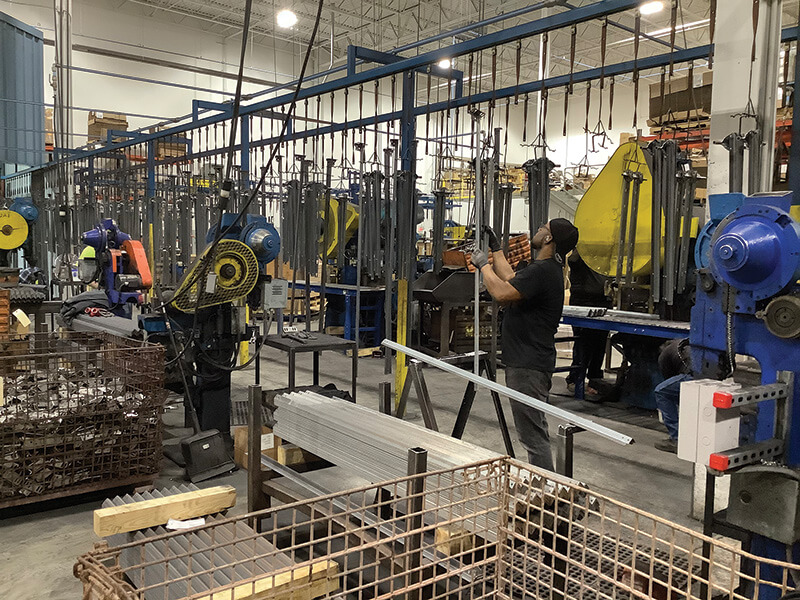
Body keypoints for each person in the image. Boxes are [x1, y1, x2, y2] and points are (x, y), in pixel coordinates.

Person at [471, 219, 579, 471]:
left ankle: (548, 493)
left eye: (543, 228)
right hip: (529, 361)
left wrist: (483, 266)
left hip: (528, 364)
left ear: (549, 239)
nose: (538, 230)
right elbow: (510, 278)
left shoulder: (543, 271)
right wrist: (496, 248)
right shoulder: (545, 268)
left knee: (532, 437)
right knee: (533, 430)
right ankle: (547, 489)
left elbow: (502, 293)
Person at [565, 250, 611, 399]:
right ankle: (575, 379)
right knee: (583, 343)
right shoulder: (581, 253)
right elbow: (573, 259)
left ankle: (594, 379)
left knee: (599, 344)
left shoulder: (604, 255)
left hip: (603, 301)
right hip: (583, 302)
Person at [653, 337, 692, 453]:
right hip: (717, 372)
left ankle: (677, 439)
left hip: (694, 376)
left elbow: (669, 379)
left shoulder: (664, 355)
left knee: (661, 392)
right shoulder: (682, 345)